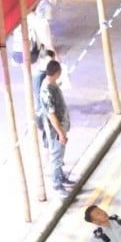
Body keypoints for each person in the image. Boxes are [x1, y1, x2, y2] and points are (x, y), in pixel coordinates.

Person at [40, 60, 73, 196]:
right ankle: (57, 185)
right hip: (55, 131)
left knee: (59, 156)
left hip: (61, 126)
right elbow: (52, 115)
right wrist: (60, 133)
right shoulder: (47, 91)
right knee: (56, 157)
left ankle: (61, 177)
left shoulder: (52, 84)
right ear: (57, 73)